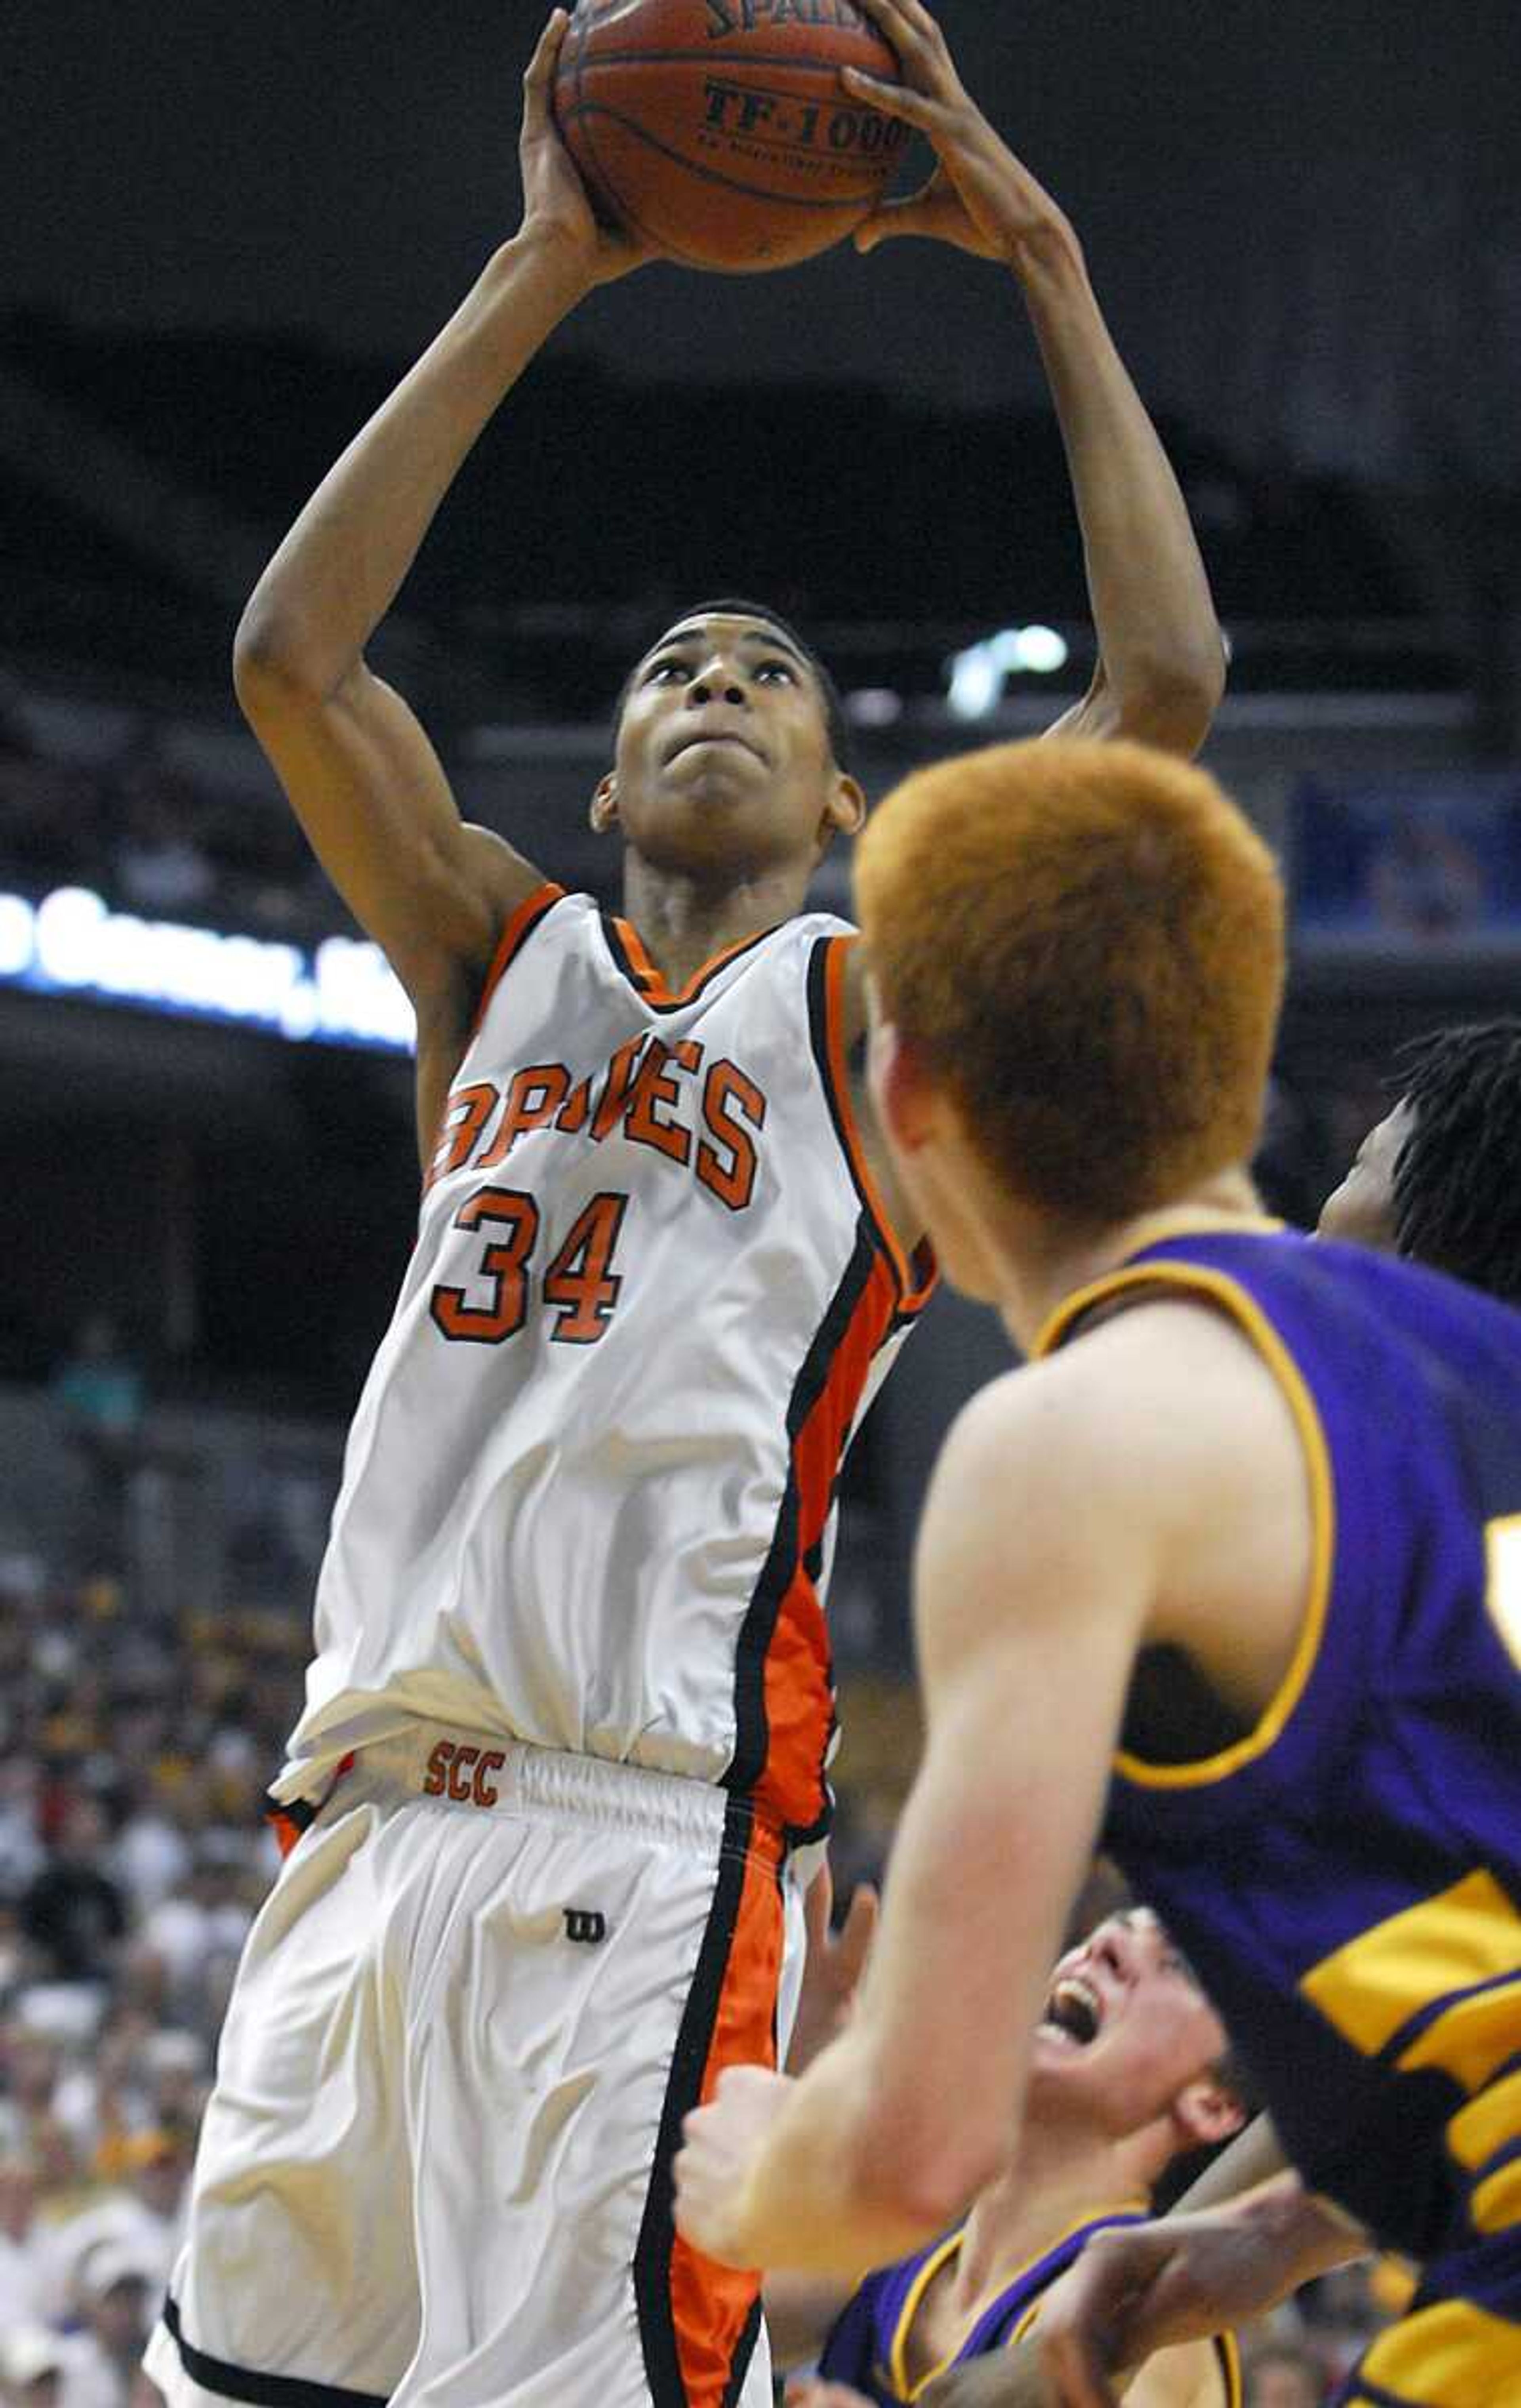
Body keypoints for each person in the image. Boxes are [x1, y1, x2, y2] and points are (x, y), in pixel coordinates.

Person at [145, 0, 1224, 2398]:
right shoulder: (489, 951)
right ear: (612, 766)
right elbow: (285, 652)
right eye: (671, 668)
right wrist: (551, 264)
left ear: (851, 802)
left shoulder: (869, 1024)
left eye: (767, 672)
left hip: (636, 1848)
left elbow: (1157, 679)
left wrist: (1038, 250)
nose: (715, 681)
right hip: (349, 1822)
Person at [671, 736, 1521, 2408]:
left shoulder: (1072, 1435)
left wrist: (765, 2158)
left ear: (907, 1102)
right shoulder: (1473, 1362)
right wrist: (1269, 2235)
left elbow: (913, 2148)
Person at [769, 1894, 1247, 2408]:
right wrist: (789, 2071)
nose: (1103, 1945)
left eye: (1175, 1965)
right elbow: (700, 2314)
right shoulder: (891, 2251)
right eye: (1112, 1929)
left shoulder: (1160, 2330)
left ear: (1211, 2105)